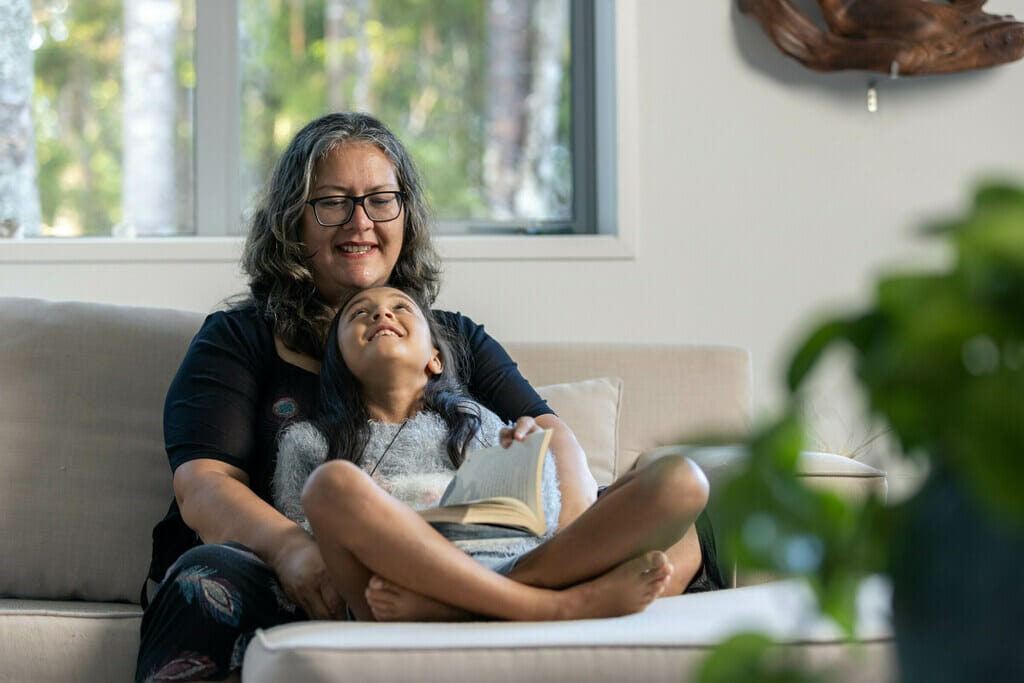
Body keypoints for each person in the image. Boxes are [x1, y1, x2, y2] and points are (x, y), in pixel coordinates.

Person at [134, 112, 600, 683]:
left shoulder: (453, 337)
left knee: (685, 525)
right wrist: (292, 552)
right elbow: (204, 483)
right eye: (333, 202)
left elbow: (555, 439)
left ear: (405, 214)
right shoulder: (239, 340)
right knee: (206, 579)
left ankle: (486, 597)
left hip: (462, 560)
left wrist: (566, 545)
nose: (360, 223)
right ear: (292, 222)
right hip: (286, 567)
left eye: (381, 200)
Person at [276, 284, 715, 622]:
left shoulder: (477, 420)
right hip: (395, 583)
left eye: (400, 308)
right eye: (360, 314)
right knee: (331, 485)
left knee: (680, 480)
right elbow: (311, 536)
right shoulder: (309, 440)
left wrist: (528, 457)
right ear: (339, 360)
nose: (382, 313)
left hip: (516, 562)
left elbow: (544, 520)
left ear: (434, 359)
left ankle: (458, 609)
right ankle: (558, 608)